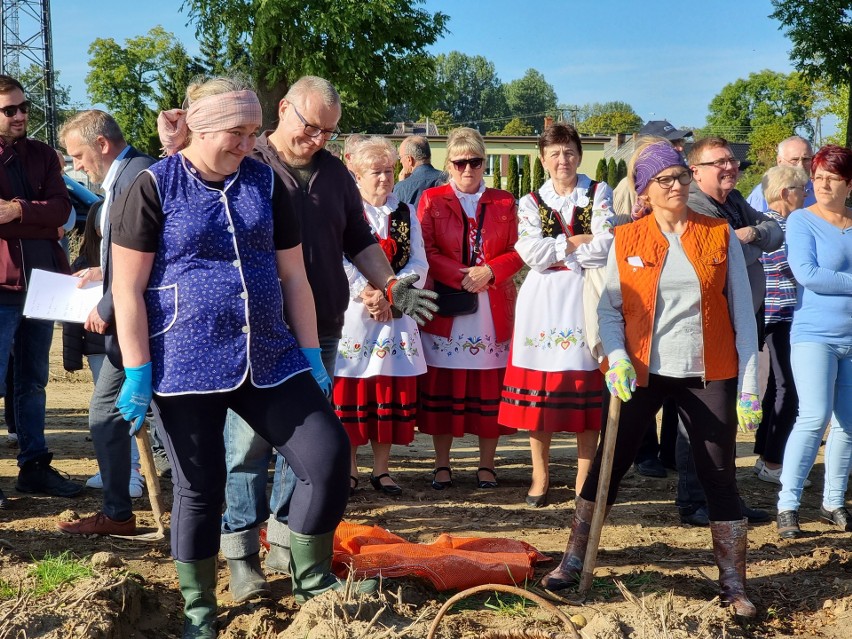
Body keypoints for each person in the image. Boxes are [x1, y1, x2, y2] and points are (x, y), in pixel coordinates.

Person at [109, 76, 380, 637]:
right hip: (185, 364)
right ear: (200, 126)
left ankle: (311, 578)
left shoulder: (266, 182)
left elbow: (293, 276)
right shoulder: (154, 187)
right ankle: (200, 610)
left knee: (327, 456)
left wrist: (310, 352)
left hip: (272, 356)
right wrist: (137, 370)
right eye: (237, 132)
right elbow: (127, 290)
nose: (247, 143)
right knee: (201, 487)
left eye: (255, 132)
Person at [218, 76, 435, 602]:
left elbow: (358, 238)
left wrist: (390, 283)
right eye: (309, 126)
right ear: (284, 108)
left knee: (307, 447)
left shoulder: (336, 174)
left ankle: (289, 548)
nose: (316, 138)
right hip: (258, 328)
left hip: (324, 328)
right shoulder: (247, 168)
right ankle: (242, 557)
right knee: (247, 447)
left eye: (327, 132)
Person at [542, 139, 761, 618]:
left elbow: (744, 315)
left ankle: (733, 583)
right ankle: (575, 558)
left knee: (718, 474)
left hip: (710, 370)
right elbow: (609, 309)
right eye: (666, 179)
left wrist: (748, 385)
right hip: (639, 371)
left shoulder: (718, 234)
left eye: (682, 176)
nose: (678, 184)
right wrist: (616, 355)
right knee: (608, 465)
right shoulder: (629, 238)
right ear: (645, 190)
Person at [497, 123, 613, 507]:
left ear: (579, 154)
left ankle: (585, 476)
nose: (563, 160)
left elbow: (606, 247)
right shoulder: (531, 200)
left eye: (569, 152)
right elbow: (530, 253)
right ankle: (540, 474)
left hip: (585, 295)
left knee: (583, 387)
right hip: (542, 302)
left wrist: (557, 249)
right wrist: (575, 241)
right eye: (555, 154)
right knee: (540, 393)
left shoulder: (599, 192)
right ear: (543, 160)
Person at [55, 111, 156, 535]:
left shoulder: (139, 175)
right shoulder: (123, 178)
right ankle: (120, 512)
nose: (75, 166)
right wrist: (102, 274)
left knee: (112, 416)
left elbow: (155, 253)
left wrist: (110, 301)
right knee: (110, 415)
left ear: (101, 144)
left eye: (77, 156)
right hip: (131, 318)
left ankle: (122, 513)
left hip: (145, 321)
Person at [674, 135, 783, 526]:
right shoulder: (692, 207)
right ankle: (693, 502)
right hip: (707, 327)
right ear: (695, 171)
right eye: (719, 162)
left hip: (741, 323)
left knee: (729, 414)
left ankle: (725, 498)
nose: (730, 167)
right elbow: (716, 256)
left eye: (732, 162)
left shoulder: (734, 202)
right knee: (700, 416)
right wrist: (743, 245)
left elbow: (774, 231)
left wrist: (749, 236)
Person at [417, 127, 524, 491]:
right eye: (460, 162)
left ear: (484, 164)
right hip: (450, 304)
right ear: (448, 164)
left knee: (488, 389)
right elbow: (425, 249)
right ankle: (442, 465)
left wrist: (491, 272)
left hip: (492, 307)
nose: (468, 169)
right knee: (445, 386)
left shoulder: (505, 202)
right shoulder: (431, 200)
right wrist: (463, 274)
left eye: (475, 162)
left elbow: (520, 249)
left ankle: (486, 465)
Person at [0, 74, 81, 500]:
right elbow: (48, 216)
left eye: (23, 107)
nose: (20, 115)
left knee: (33, 381)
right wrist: (39, 217)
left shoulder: (44, 155)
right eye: (9, 110)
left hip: (44, 284)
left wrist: (16, 210)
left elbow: (63, 210)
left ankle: (34, 466)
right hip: (2, 285)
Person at [335, 136, 428, 495]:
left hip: (396, 315)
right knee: (353, 391)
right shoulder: (346, 211)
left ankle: (382, 469)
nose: (384, 179)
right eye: (375, 172)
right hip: (355, 314)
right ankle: (350, 467)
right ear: (356, 174)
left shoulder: (406, 212)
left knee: (386, 391)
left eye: (389, 171)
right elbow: (337, 256)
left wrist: (393, 292)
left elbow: (419, 261)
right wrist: (365, 291)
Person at [776, 144, 852, 539]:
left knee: (850, 425)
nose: (821, 184)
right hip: (814, 336)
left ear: (848, 184)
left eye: (831, 179)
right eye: (817, 177)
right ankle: (788, 504)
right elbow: (808, 274)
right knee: (814, 415)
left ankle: (833, 502)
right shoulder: (802, 221)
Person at [612, 127, 691, 480]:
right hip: (638, 304)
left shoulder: (681, 187)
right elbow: (616, 231)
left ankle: (670, 453)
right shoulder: (628, 189)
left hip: (677, 313)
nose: (679, 148)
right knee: (638, 391)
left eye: (680, 145)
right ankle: (644, 453)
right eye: (671, 143)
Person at [753, 165, 810, 486]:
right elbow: (794, 266)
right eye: (803, 189)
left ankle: (766, 454)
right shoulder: (779, 227)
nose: (806, 195)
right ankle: (774, 462)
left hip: (779, 315)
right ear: (787, 193)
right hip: (781, 315)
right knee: (789, 388)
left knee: (778, 387)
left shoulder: (777, 224)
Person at [747, 136, 816, 213]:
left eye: (806, 159)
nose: (801, 166)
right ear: (779, 161)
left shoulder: (818, 190)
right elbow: (755, 223)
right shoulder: (763, 192)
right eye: (794, 160)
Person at [393, 135, 446, 207]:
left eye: (400, 157)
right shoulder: (448, 179)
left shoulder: (401, 187)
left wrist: (402, 184)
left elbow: (398, 214)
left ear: (409, 160)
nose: (401, 162)